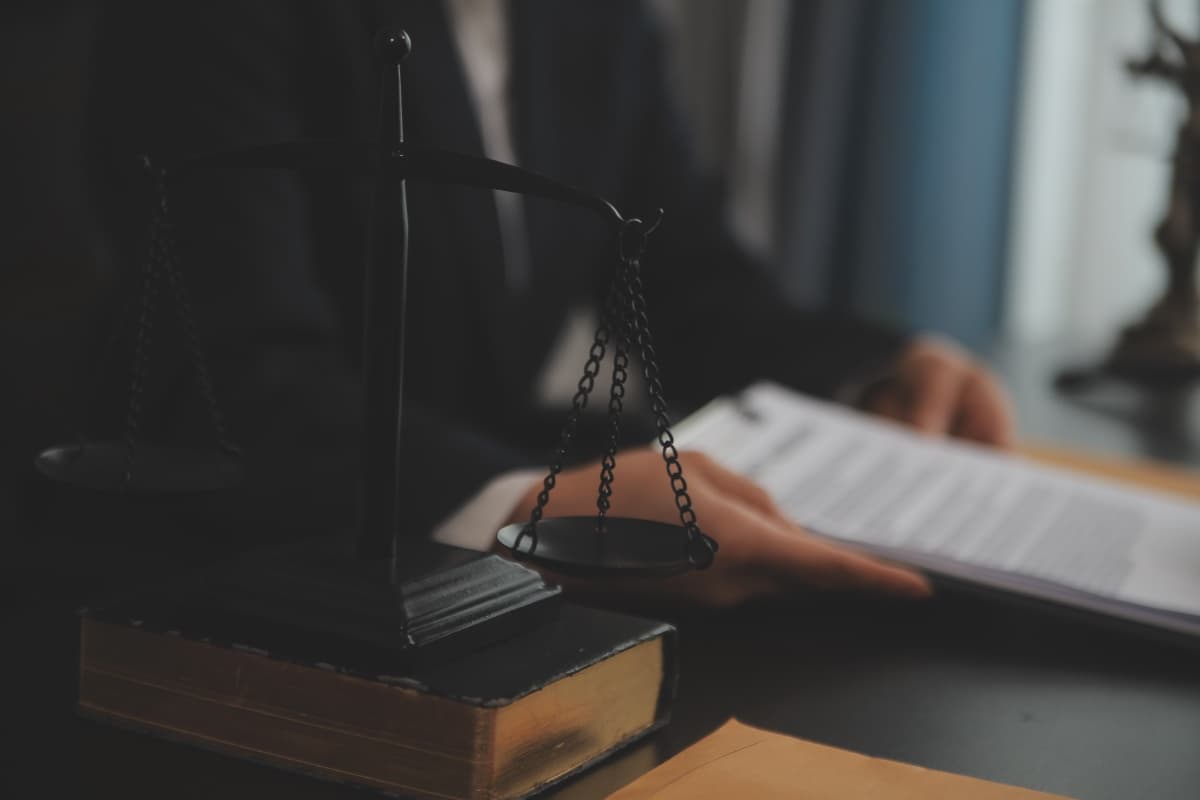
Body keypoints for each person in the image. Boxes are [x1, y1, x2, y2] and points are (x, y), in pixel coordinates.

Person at [85, 0, 1012, 607]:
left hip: (486, 601)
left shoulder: (596, 20)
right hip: (226, 595)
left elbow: (691, 283)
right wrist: (528, 506)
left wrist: (879, 369)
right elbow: (238, 378)